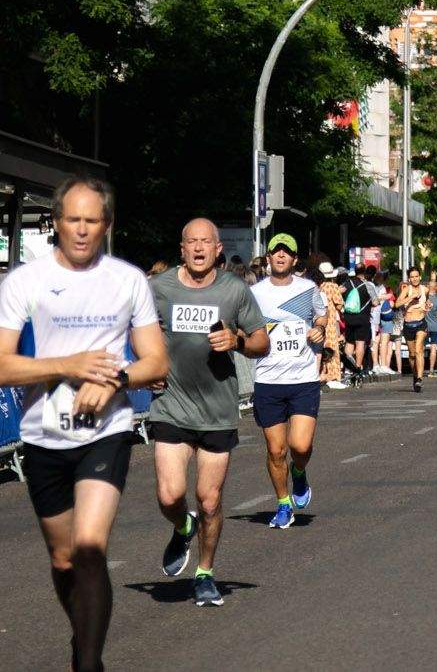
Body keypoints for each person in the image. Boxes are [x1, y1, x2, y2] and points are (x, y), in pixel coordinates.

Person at [0, 177, 168, 671]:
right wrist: (68, 365)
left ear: (106, 225)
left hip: (107, 431)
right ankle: (82, 633)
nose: (82, 231)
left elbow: (156, 362)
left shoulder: (128, 280)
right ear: (56, 222)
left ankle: (88, 662)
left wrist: (116, 379)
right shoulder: (25, 281)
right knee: (64, 559)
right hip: (44, 433)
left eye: (92, 221)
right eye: (72, 220)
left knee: (89, 548)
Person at [150, 218, 266, 605]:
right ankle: (183, 525)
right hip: (172, 405)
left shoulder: (234, 290)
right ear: (181, 248)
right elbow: (137, 334)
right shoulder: (159, 288)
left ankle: (205, 573)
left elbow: (261, 342)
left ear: (218, 249)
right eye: (191, 242)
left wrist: (237, 340)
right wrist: (148, 367)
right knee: (169, 496)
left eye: (206, 242)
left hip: (217, 409)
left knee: (210, 500)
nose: (199, 248)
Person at [253, 235, 330, 529]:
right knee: (275, 451)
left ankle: (299, 472)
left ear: (295, 260)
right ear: (269, 257)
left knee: (299, 445)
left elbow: (322, 317)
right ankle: (283, 503)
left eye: (287, 252)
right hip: (268, 379)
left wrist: (319, 330)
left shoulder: (308, 289)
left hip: (303, 377)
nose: (281, 255)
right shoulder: (255, 293)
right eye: (276, 251)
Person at [317, 263, 351, 391]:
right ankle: (334, 377)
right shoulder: (333, 286)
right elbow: (339, 304)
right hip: (331, 321)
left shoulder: (318, 287)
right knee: (333, 350)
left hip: (319, 322)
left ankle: (322, 374)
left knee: (322, 350)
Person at [396, 267, 430, 393]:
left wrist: (428, 306)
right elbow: (397, 304)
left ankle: (420, 378)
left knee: (419, 350)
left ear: (420, 277)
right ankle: (415, 375)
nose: (415, 279)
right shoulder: (406, 289)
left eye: (417, 276)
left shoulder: (425, 289)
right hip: (409, 324)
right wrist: (410, 298)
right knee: (411, 354)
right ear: (409, 279)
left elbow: (427, 301)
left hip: (421, 323)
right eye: (412, 277)